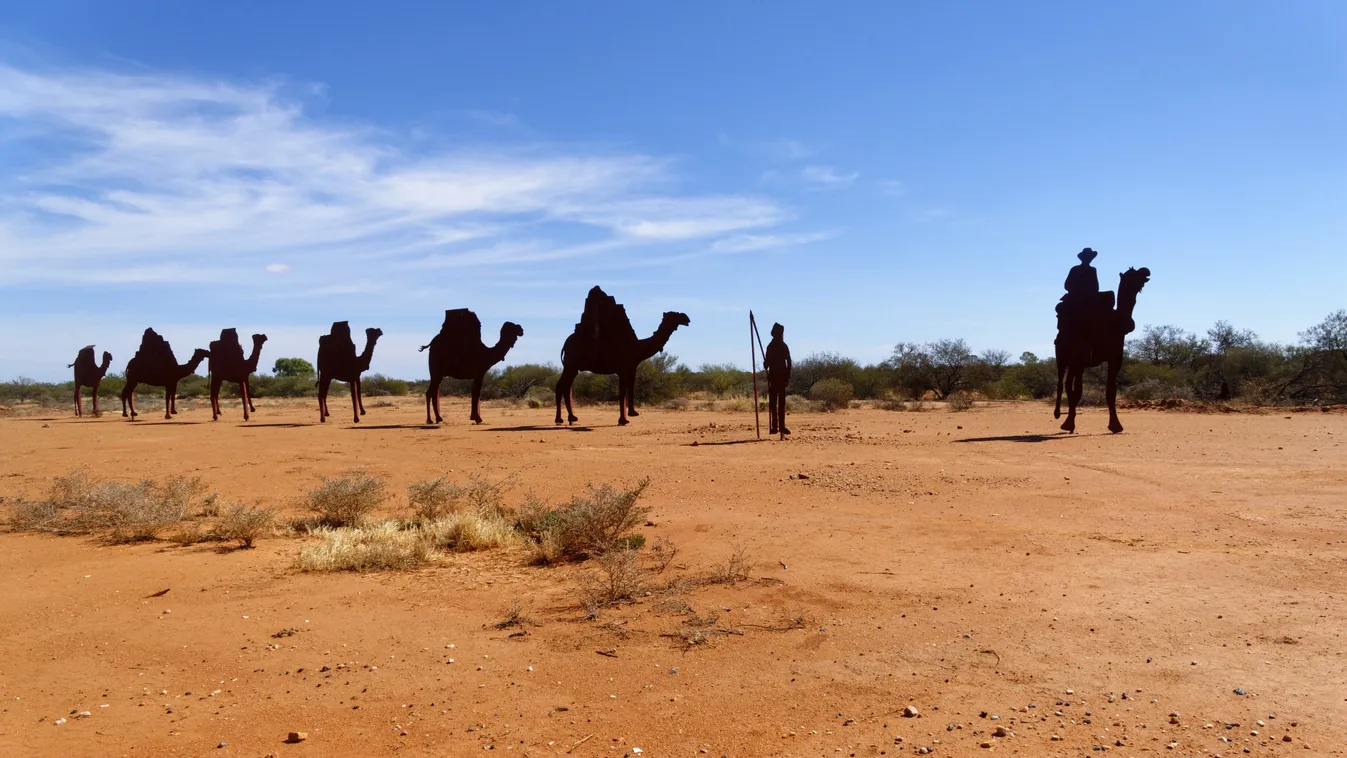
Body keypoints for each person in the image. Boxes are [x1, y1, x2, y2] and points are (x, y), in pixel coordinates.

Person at [764, 322, 792, 437]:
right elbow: (768, 363)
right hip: (776, 378)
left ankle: (778, 427)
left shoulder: (776, 346)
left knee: (778, 403)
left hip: (778, 378)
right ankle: (776, 426)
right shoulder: (775, 346)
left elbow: (788, 362)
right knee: (776, 403)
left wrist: (787, 376)